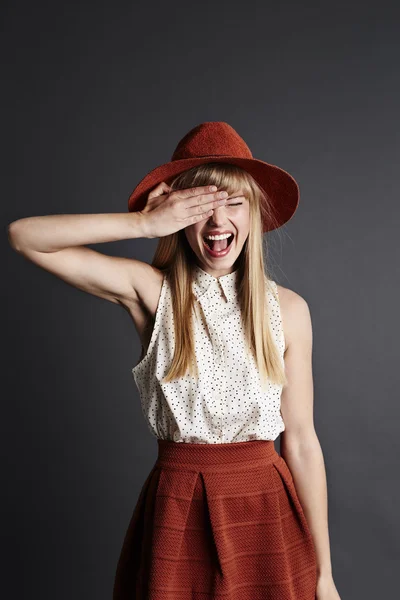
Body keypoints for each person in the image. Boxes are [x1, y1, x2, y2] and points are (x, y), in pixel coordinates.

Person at [8, 122, 341, 599]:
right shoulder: (153, 293)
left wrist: (325, 574)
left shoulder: (288, 309)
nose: (216, 220)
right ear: (177, 215)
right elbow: (25, 236)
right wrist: (141, 225)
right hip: (179, 510)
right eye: (199, 206)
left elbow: (304, 442)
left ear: (255, 214)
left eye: (232, 202)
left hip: (268, 512)